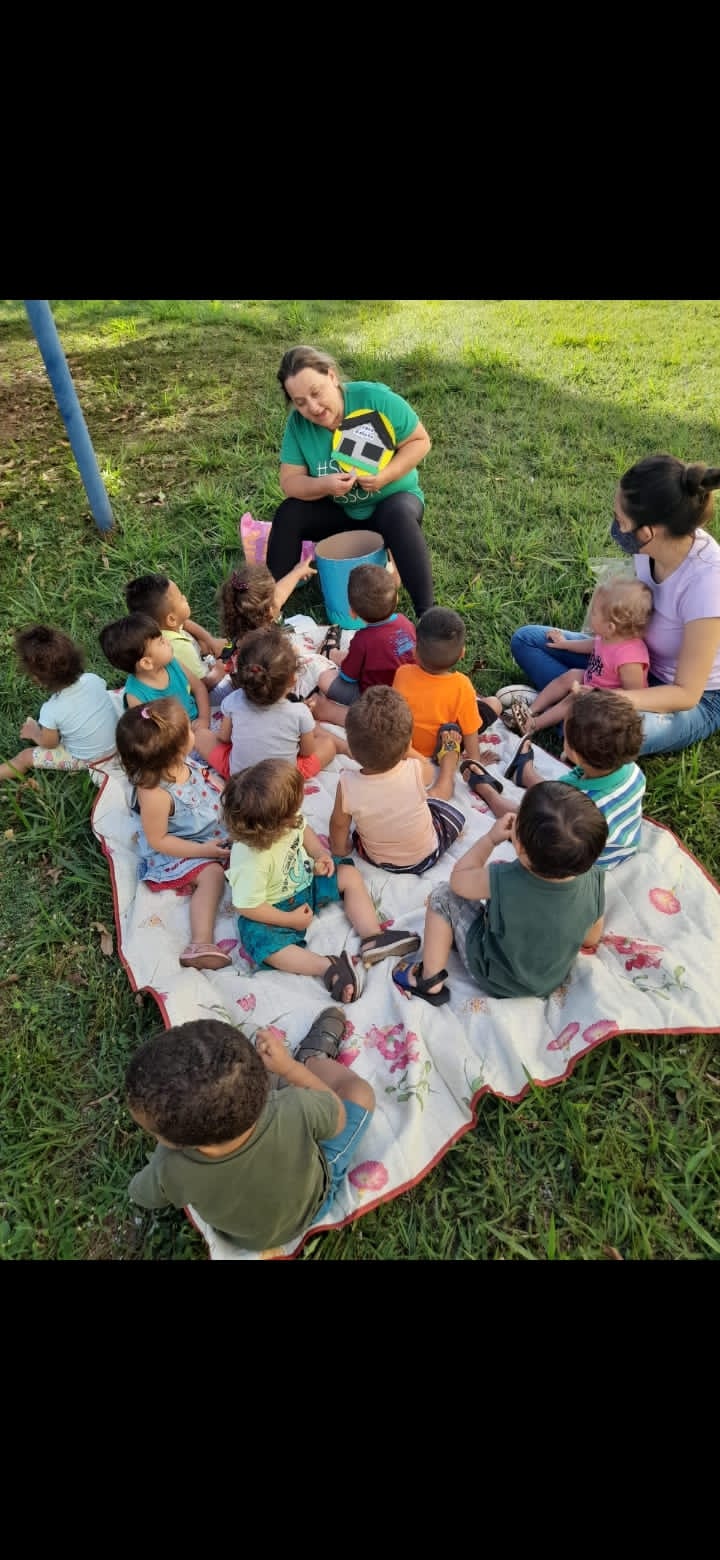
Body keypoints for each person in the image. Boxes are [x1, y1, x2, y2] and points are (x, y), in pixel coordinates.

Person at [509, 454, 720, 756]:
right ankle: (574, 717)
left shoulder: (707, 583)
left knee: (602, 732)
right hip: (629, 657)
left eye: (621, 521)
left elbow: (686, 694)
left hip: (689, 698)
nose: (617, 528)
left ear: (648, 531)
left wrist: (608, 697)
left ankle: (572, 717)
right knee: (527, 640)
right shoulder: (649, 548)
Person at [125, 1009, 376, 1251]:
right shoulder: (295, 1106)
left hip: (246, 1238)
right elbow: (338, 1116)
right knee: (360, 1093)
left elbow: (141, 1195)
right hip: (312, 1205)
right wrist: (290, 1069)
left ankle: (292, 1072)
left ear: (176, 1142)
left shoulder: (170, 1169)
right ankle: (311, 1060)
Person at [222, 757, 421, 1003]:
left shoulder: (289, 819)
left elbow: (304, 831)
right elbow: (248, 906)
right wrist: (289, 919)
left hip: (307, 880)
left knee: (348, 874)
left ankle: (373, 937)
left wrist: (319, 854)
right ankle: (327, 967)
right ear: (276, 824)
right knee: (262, 944)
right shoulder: (250, 860)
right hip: (273, 908)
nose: (299, 809)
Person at [392, 782, 607, 1005]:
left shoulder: (503, 878)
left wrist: (490, 840)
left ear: (519, 846)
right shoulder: (595, 878)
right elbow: (591, 938)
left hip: (494, 975)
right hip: (549, 979)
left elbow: (458, 882)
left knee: (442, 896)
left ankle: (429, 978)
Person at [267, 344, 435, 618]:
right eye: (300, 402)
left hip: (391, 502)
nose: (313, 408)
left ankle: (428, 614)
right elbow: (290, 482)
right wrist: (325, 485)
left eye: (316, 392)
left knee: (398, 516)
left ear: (332, 376)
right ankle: (267, 609)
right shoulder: (298, 425)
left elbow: (420, 441)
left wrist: (384, 476)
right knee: (289, 513)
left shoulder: (375, 399)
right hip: (340, 510)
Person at [463, 688, 646, 872]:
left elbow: (532, 820)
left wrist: (490, 794)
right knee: (552, 802)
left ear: (574, 754)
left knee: (526, 819)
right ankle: (526, 774)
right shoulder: (633, 771)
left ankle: (487, 790)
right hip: (619, 849)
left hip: (576, 858)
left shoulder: (574, 804)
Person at [114, 697, 231, 971]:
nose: (193, 731)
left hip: (210, 829)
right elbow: (159, 840)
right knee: (213, 875)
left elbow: (203, 781)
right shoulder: (155, 794)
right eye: (189, 730)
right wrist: (204, 851)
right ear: (177, 751)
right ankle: (200, 943)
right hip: (182, 848)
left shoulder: (178, 763)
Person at [329, 685, 466, 872]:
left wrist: (341, 850)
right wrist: (406, 748)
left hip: (379, 859)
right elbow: (429, 771)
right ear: (409, 744)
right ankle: (448, 763)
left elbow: (339, 825)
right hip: (426, 856)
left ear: (351, 750)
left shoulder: (346, 785)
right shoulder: (416, 769)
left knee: (359, 829)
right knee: (437, 806)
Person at [502, 576, 652, 737]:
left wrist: (598, 693)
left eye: (594, 613)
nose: (590, 614)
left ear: (610, 627)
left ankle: (533, 725)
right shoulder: (609, 636)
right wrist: (565, 644)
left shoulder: (630, 658)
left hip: (607, 702)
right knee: (572, 675)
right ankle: (531, 710)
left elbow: (635, 694)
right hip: (592, 682)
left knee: (572, 701)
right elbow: (592, 645)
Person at [200, 623, 348, 781]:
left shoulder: (233, 700)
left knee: (201, 736)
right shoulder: (300, 712)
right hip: (283, 783)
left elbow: (224, 738)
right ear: (293, 679)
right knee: (328, 744)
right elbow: (307, 752)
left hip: (240, 778)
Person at [0, 625, 119, 783]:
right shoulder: (93, 679)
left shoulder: (51, 711)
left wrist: (34, 732)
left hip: (91, 758)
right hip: (119, 741)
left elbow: (50, 744)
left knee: (24, 757)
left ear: (37, 679)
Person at [309, 563, 417, 727]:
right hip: (407, 692)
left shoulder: (362, 640)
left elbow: (348, 677)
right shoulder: (406, 623)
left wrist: (345, 662)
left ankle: (330, 655)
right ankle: (333, 654)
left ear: (352, 613)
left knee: (324, 679)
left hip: (373, 699)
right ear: (396, 599)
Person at [392, 606, 503, 767]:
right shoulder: (462, 685)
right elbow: (470, 731)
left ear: (415, 652)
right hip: (447, 745)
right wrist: (476, 761)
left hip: (409, 746)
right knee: (494, 703)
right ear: (462, 653)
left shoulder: (402, 673)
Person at [215, 559, 336, 699]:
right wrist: (294, 655)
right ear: (270, 610)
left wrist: (297, 572)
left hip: (253, 682)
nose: (278, 596)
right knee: (316, 664)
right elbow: (284, 667)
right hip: (271, 691)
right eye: (274, 596)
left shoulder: (243, 619)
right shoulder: (265, 646)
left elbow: (279, 594)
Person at [99, 612, 211, 728]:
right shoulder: (136, 696)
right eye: (161, 641)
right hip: (173, 736)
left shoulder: (173, 663)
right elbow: (149, 731)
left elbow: (199, 688)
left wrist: (204, 719)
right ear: (147, 663)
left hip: (197, 720)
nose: (167, 641)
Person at [124, 572, 228, 690]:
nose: (184, 597)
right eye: (180, 598)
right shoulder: (179, 647)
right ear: (172, 619)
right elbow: (202, 685)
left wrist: (208, 640)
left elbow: (186, 623)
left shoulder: (159, 629)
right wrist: (219, 670)